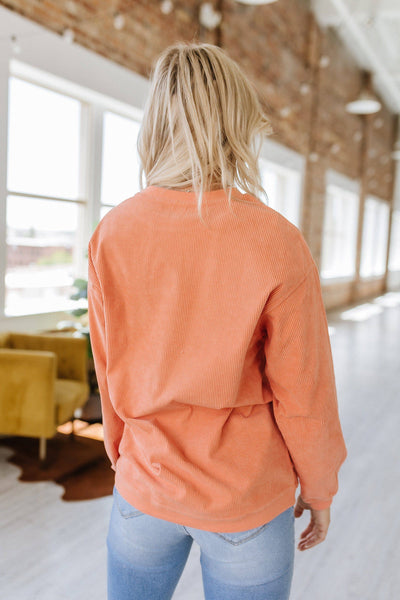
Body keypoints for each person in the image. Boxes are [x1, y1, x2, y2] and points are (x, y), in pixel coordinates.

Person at [87, 42, 348, 600]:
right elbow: (305, 388)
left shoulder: (114, 231)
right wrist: (320, 489)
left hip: (143, 489)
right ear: (236, 123)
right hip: (244, 503)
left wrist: (125, 461)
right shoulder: (275, 240)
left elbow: (108, 368)